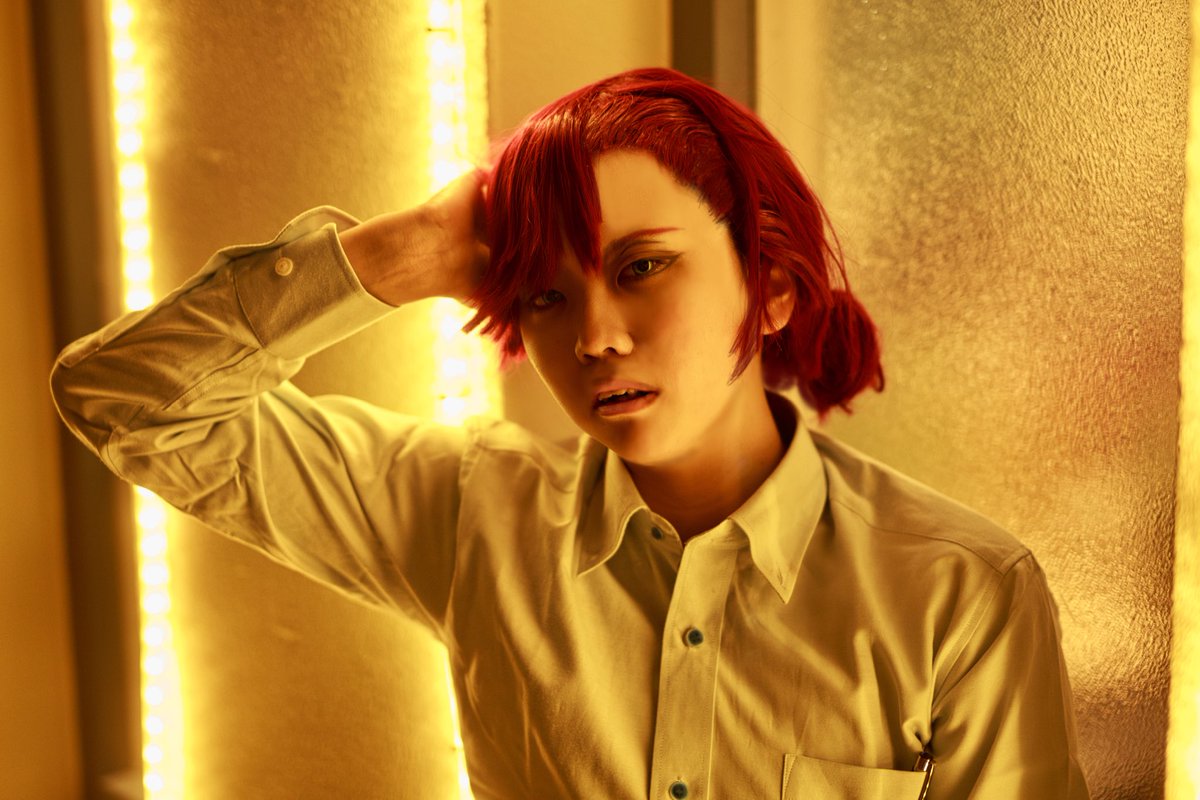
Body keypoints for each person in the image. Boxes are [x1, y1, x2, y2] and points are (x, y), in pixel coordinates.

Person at [51, 67, 1089, 798]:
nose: (593, 336)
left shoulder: (962, 592)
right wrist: (404, 253)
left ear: (771, 286)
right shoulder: (472, 513)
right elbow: (125, 396)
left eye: (642, 267)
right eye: (546, 294)